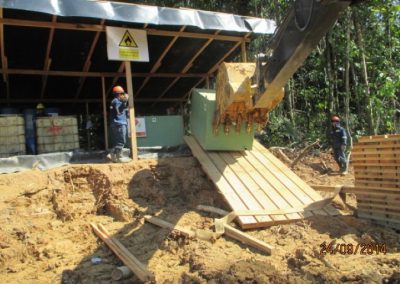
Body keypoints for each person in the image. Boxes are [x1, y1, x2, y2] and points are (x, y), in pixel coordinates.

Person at [109, 86, 131, 163]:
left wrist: (125, 106)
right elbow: (119, 110)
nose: (123, 95)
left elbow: (121, 110)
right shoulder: (117, 101)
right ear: (118, 94)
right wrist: (125, 101)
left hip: (116, 123)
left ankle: (118, 156)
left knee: (118, 141)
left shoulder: (114, 101)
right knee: (121, 141)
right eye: (122, 94)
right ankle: (114, 154)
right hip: (119, 123)